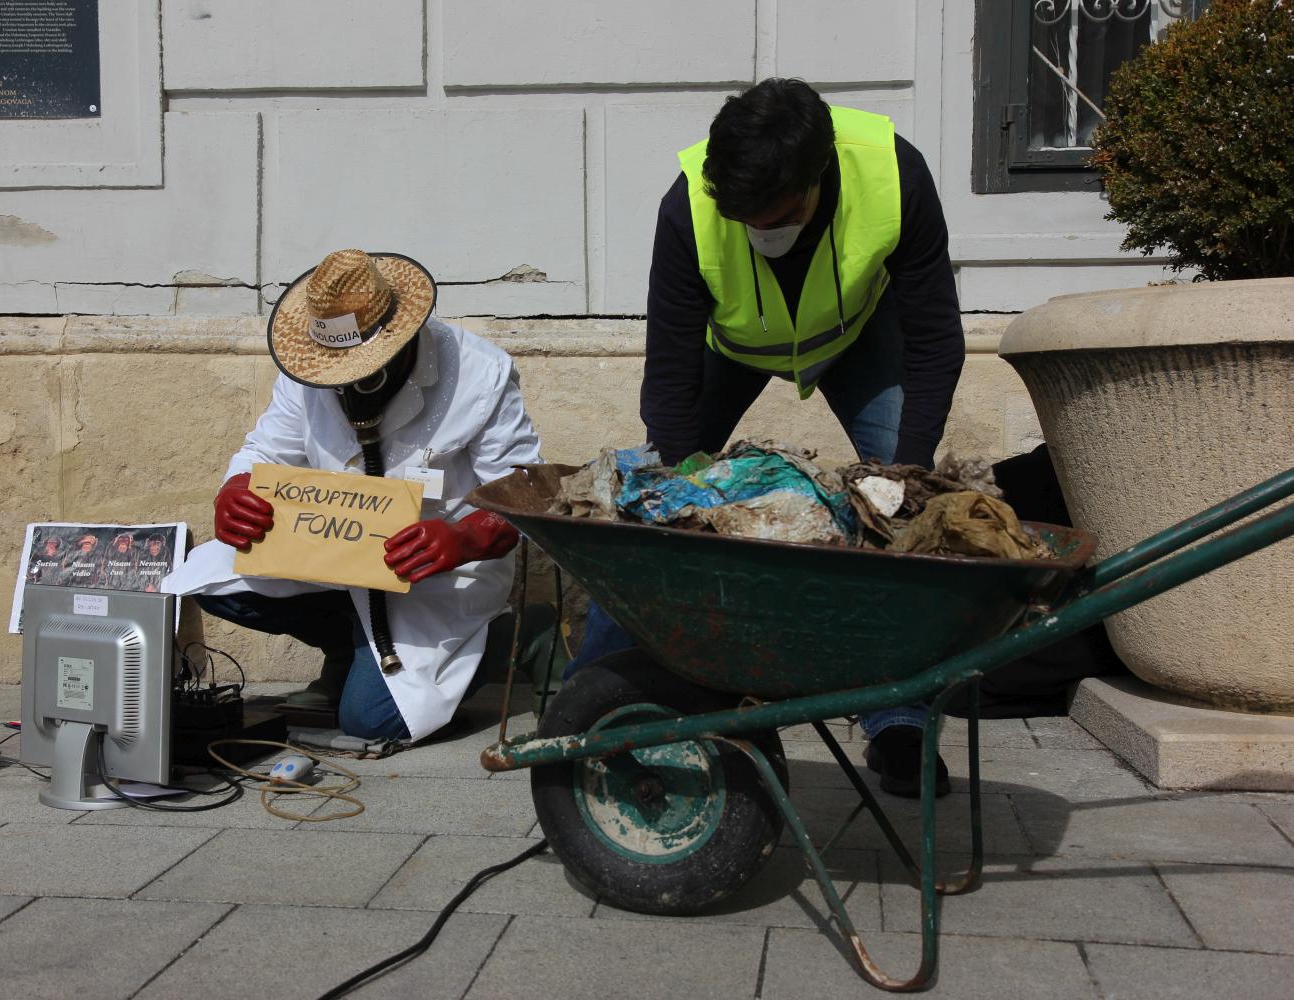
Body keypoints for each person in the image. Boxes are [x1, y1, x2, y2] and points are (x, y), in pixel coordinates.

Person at [579, 78, 966, 797]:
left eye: (780, 216)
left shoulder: (894, 174)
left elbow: (935, 340)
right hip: (731, 348)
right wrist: (682, 486)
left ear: (818, 176)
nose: (763, 232)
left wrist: (907, 471)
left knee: (902, 521)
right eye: (746, 219)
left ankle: (900, 720)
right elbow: (670, 368)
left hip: (858, 336)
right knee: (651, 512)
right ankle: (595, 692)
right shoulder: (689, 204)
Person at [161, 249, 542, 743]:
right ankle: (352, 647)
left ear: (404, 338)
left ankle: (506, 638)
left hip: (433, 575)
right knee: (210, 580)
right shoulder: (308, 367)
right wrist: (235, 490)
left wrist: (464, 539)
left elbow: (523, 491)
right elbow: (264, 452)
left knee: (369, 722)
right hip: (336, 557)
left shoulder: (480, 373)